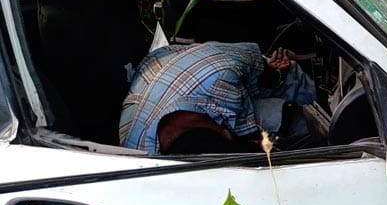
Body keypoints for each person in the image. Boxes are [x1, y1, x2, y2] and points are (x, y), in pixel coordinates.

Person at [118, 41, 321, 155]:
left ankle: (320, 117)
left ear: (225, 131)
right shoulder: (137, 154)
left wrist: (275, 74)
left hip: (195, 66)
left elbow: (259, 69)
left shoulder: (221, 73)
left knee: (290, 84)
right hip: (161, 75)